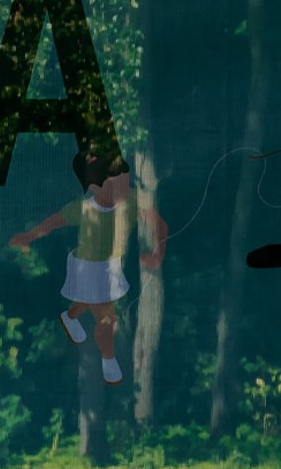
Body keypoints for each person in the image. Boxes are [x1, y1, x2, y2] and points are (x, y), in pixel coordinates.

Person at [9, 146, 169, 386]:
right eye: (116, 178)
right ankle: (108, 358)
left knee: (89, 304)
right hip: (85, 267)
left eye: (124, 176)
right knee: (106, 318)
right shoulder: (83, 210)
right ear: (96, 185)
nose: (123, 183)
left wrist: (158, 253)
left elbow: (160, 224)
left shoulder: (133, 200)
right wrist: (29, 236)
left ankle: (71, 316)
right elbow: (53, 223)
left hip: (111, 268)